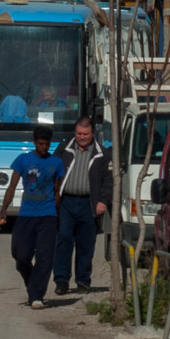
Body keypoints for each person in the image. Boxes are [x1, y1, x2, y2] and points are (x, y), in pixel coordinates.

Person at [0, 125, 66, 308]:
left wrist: (58, 216)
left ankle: (36, 296)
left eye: (47, 144)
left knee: (44, 257)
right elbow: (12, 186)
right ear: (35, 142)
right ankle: (33, 284)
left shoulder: (56, 163)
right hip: (26, 214)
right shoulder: (23, 160)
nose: (44, 147)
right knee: (20, 255)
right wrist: (4, 209)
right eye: (41, 144)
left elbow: (57, 191)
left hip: (48, 214)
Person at [53, 116, 111, 294]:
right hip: (67, 202)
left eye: (85, 134)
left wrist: (103, 201)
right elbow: (53, 168)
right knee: (63, 240)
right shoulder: (65, 148)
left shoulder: (102, 154)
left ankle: (83, 281)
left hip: (89, 203)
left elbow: (109, 180)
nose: (81, 137)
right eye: (78, 133)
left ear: (92, 133)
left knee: (86, 244)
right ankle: (61, 281)